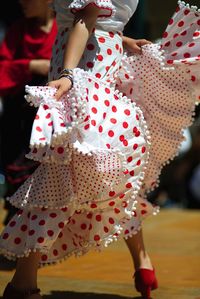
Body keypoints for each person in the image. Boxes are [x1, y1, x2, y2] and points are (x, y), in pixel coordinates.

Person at [0, 1, 200, 299]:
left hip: (83, 72)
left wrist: (68, 73)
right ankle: (142, 262)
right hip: (101, 68)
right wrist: (124, 39)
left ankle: (23, 283)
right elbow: (102, 22)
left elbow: (86, 18)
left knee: (62, 174)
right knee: (106, 178)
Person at [0, 0, 57, 225]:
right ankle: (15, 242)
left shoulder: (64, 29)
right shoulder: (18, 30)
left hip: (49, 122)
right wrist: (31, 65)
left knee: (46, 182)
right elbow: (3, 69)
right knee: (19, 180)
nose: (22, 2)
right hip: (20, 121)